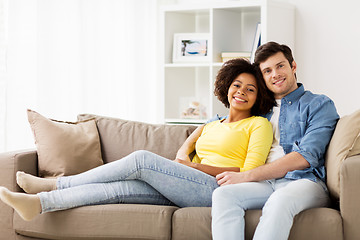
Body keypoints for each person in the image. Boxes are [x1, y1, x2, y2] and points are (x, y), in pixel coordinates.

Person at [0, 58, 275, 222]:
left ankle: (56, 183)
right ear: (227, 87)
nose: (242, 92)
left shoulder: (258, 125)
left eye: (250, 89)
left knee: (141, 160)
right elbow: (189, 143)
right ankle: (39, 204)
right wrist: (182, 157)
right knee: (119, 190)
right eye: (237, 85)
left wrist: (195, 168)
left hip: (217, 191)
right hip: (187, 185)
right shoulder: (212, 122)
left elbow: (248, 172)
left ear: (257, 97)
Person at [211, 42, 339, 240]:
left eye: (280, 66)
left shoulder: (319, 105)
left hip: (304, 181)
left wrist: (246, 176)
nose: (275, 74)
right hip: (266, 182)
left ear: (293, 66)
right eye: (267, 71)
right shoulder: (260, 109)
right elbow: (223, 123)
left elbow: (306, 156)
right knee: (223, 195)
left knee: (280, 200)